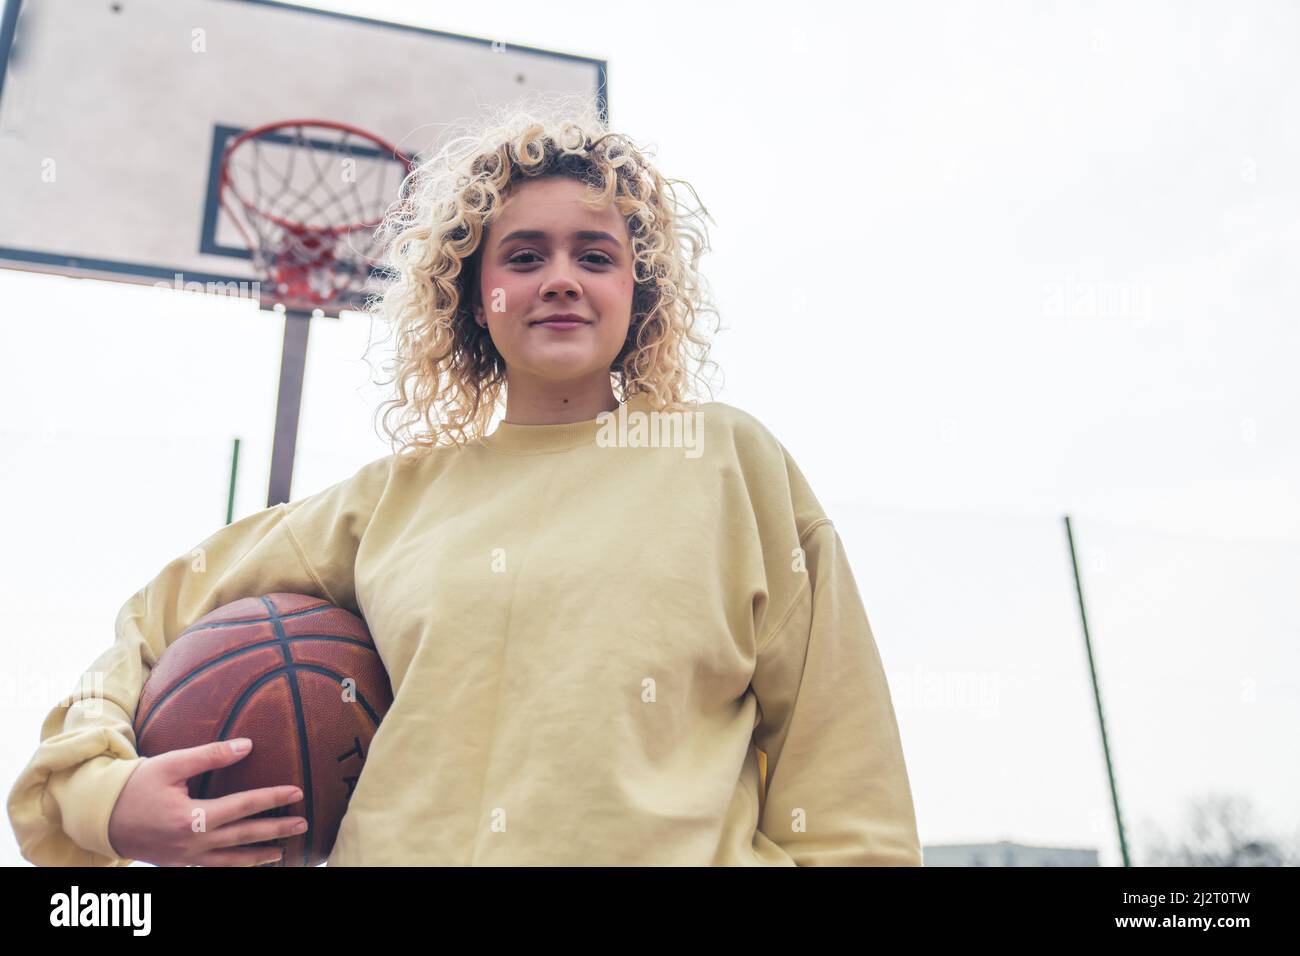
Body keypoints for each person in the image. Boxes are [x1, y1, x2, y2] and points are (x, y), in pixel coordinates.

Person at [7, 94, 922, 866]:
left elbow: (845, 776)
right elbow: (153, 620)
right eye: (524, 256)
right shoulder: (391, 502)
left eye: (594, 256)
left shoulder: (728, 464)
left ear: (637, 294)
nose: (559, 279)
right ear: (470, 296)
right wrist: (99, 793)